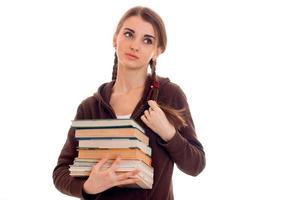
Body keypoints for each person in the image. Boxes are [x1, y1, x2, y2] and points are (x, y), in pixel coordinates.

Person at [53, 6, 206, 200]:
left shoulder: (169, 95)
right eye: (128, 34)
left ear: (157, 51)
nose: (135, 46)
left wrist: (168, 132)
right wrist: (89, 187)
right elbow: (60, 172)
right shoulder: (90, 107)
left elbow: (196, 165)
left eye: (147, 40)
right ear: (115, 39)